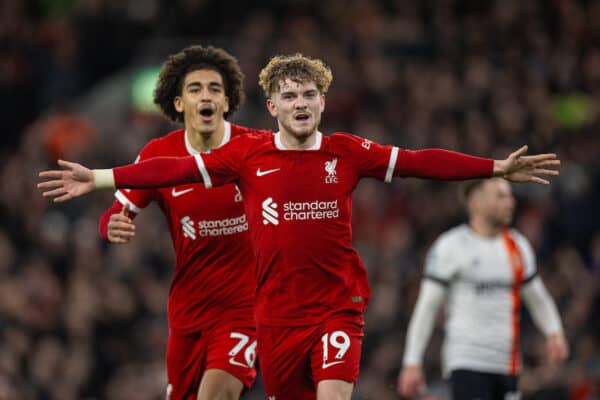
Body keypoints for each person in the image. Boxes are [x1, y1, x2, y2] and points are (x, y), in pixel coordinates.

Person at [39, 54, 560, 400]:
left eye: (309, 94)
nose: (301, 104)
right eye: (290, 97)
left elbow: (423, 161)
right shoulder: (246, 155)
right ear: (273, 108)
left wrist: (493, 167)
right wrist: (104, 180)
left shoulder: (348, 152)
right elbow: (171, 169)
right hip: (275, 316)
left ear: (322, 102)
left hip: (336, 306)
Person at [98, 45, 267, 400]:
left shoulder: (256, 149)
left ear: (227, 101)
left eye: (215, 89)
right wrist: (112, 225)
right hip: (189, 310)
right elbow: (118, 211)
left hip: (245, 308)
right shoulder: (158, 154)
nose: (206, 96)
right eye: (195, 89)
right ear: (178, 103)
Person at [397, 178, 569, 400]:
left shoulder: (518, 246)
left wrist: (554, 332)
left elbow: (538, 298)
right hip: (467, 359)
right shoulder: (451, 246)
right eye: (500, 196)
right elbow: (427, 308)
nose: (510, 202)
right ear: (476, 202)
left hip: (508, 362)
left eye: (510, 196)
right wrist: (412, 361)